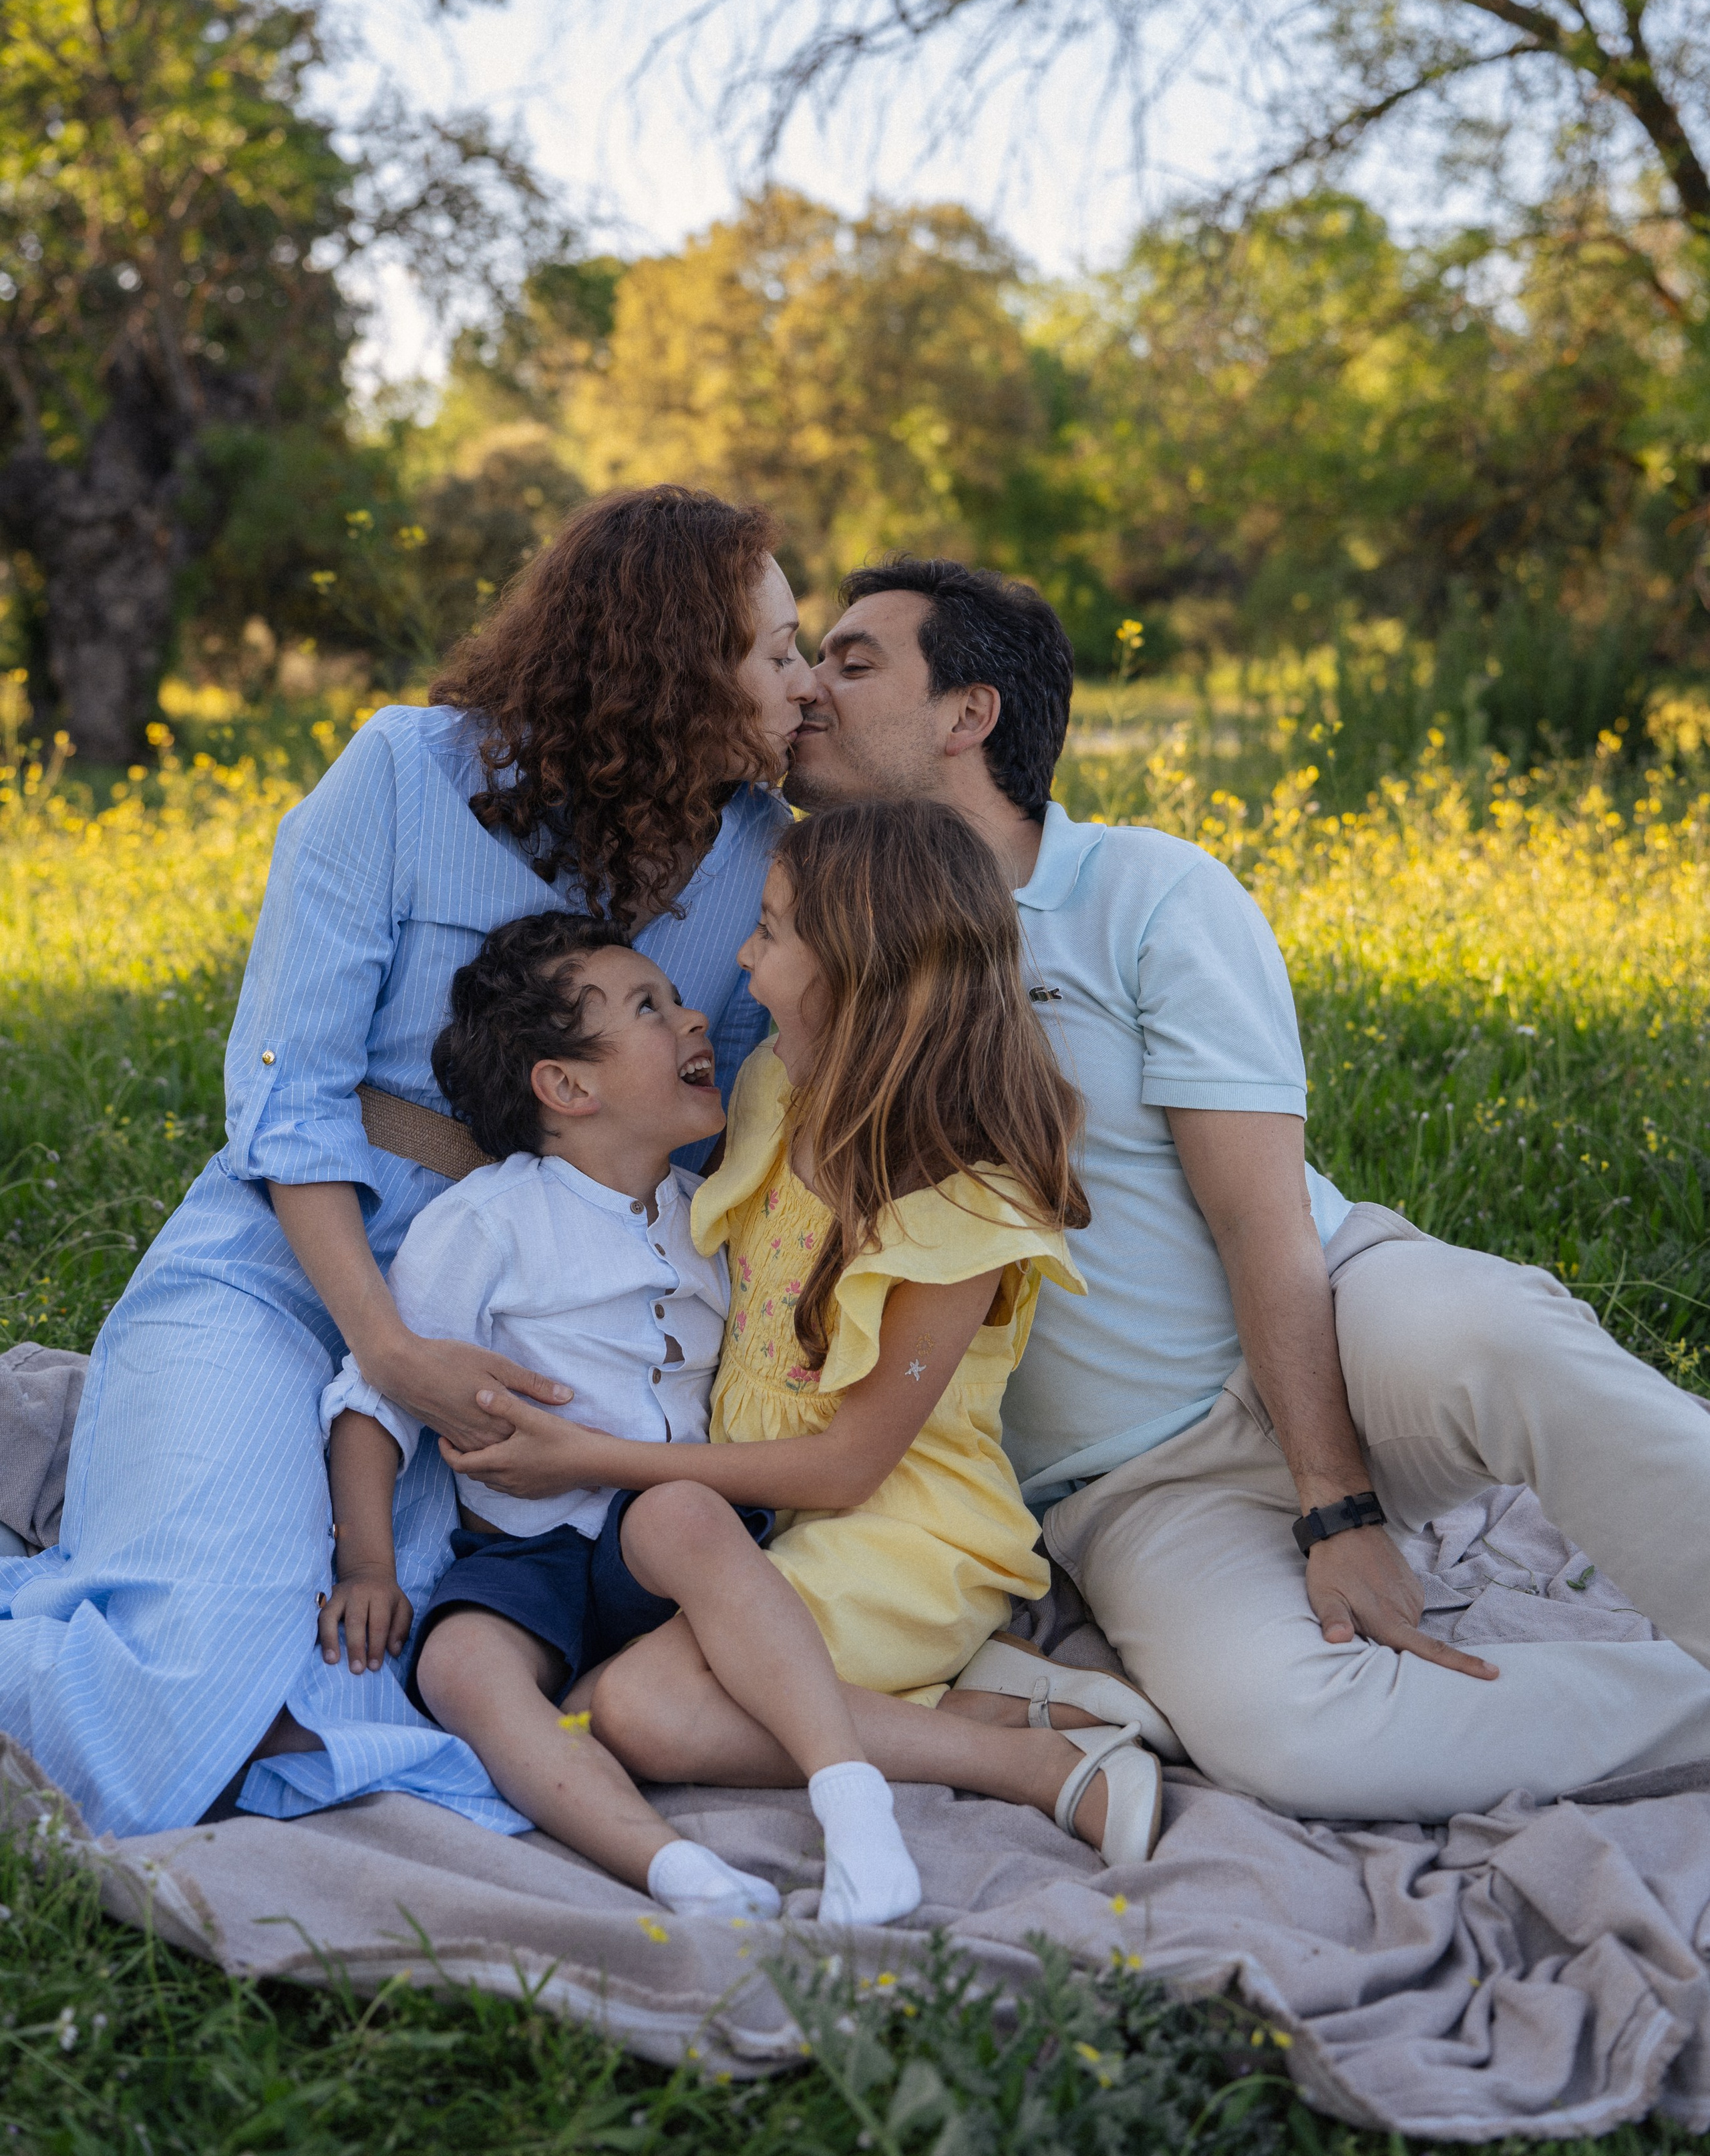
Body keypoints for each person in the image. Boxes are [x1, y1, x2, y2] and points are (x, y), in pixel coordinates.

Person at [705, 552, 1710, 1827]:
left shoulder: (1143, 891)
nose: (809, 692)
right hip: (1129, 1487)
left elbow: (1259, 1214)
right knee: (1295, 1742)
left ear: (969, 715)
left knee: (1498, 1336)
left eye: (854, 665)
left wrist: (1333, 1503)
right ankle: (1679, 1703)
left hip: (1335, 1328)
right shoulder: (807, 942)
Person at [0, 486, 816, 1842]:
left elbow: (714, 1122)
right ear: (672, 662)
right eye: (775, 649)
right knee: (181, 1696)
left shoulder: (751, 855)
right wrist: (383, 1344)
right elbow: (290, 1099)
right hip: (289, 1276)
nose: (802, 680)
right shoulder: (401, 772)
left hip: (521, 1338)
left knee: (373, 1679)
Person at [462, 800, 1167, 1864]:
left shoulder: (963, 1212)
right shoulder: (773, 1094)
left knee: (641, 1713)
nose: (741, 959)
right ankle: (987, 1706)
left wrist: (588, 1457)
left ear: (858, 970)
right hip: (767, 1529)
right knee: (593, 1701)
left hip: (910, 1534)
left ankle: (1028, 1763)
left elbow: (849, 1466)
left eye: (773, 931)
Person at [318, 906, 926, 1926]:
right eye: (650, 1007)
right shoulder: (486, 1223)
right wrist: (369, 1566)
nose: (694, 1020)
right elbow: (378, 1395)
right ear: (566, 1086)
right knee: (460, 1664)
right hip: (524, 1551)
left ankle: (851, 1797)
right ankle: (670, 1869)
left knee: (679, 1510)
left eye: (675, 1000)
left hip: (670, 1535)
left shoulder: (715, 1212)